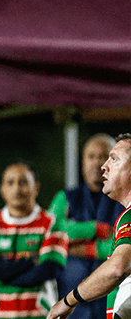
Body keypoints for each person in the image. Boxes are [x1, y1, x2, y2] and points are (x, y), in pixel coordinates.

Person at [47, 133, 131, 319]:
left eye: (111, 158)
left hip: (97, 298)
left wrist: (69, 300)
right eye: (91, 156)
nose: (101, 165)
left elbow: (117, 266)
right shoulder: (67, 197)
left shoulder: (125, 210)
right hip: (80, 302)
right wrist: (94, 230)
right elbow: (49, 234)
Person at [0, 162, 67, 318]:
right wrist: (30, 261)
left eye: (23, 182)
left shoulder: (52, 223)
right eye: (10, 183)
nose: (16, 188)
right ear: (1, 189)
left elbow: (49, 269)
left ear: (36, 187)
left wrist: (2, 271)